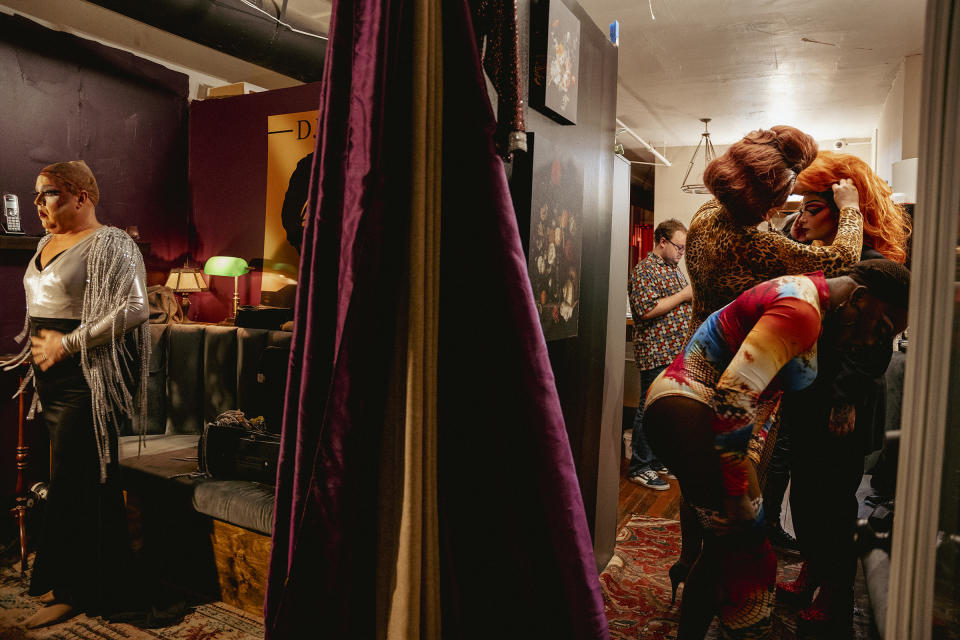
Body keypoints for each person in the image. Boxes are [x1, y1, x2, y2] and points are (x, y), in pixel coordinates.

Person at [643, 260, 910, 639]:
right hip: (689, 404)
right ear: (861, 298)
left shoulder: (810, 298)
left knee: (725, 551)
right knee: (752, 561)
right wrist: (737, 494)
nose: (874, 342)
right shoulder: (802, 310)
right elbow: (735, 394)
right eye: (881, 328)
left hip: (694, 412)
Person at [671, 126, 866, 594]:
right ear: (774, 197)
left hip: (695, 358)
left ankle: (686, 559)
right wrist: (852, 210)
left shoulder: (703, 215)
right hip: (742, 378)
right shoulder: (753, 244)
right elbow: (840, 262)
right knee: (732, 497)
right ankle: (717, 587)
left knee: (695, 480)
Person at [1, 161, 149, 628]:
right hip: (52, 379)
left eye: (48, 195)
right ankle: (84, 582)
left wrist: (66, 344)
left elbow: (135, 308)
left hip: (88, 378)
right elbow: (45, 305)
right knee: (71, 479)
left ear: (81, 195)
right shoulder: (46, 243)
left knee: (76, 482)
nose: (38, 205)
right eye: (36, 196)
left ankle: (76, 591)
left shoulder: (113, 243)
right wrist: (38, 349)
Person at [773, 152, 911, 635]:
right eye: (802, 208)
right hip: (809, 392)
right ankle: (816, 567)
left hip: (841, 402)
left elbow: (876, 342)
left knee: (834, 497)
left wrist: (844, 397)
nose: (801, 216)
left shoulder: (871, 265)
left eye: (812, 207)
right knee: (808, 494)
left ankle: (836, 587)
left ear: (845, 208)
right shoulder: (825, 257)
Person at [626, 219, 692, 490]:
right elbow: (645, 309)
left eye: (684, 249)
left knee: (664, 409)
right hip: (656, 350)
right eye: (678, 247)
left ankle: (655, 460)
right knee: (648, 408)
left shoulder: (673, 269)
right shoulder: (644, 270)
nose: (681, 253)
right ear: (662, 242)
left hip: (674, 350)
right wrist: (684, 295)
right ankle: (639, 466)